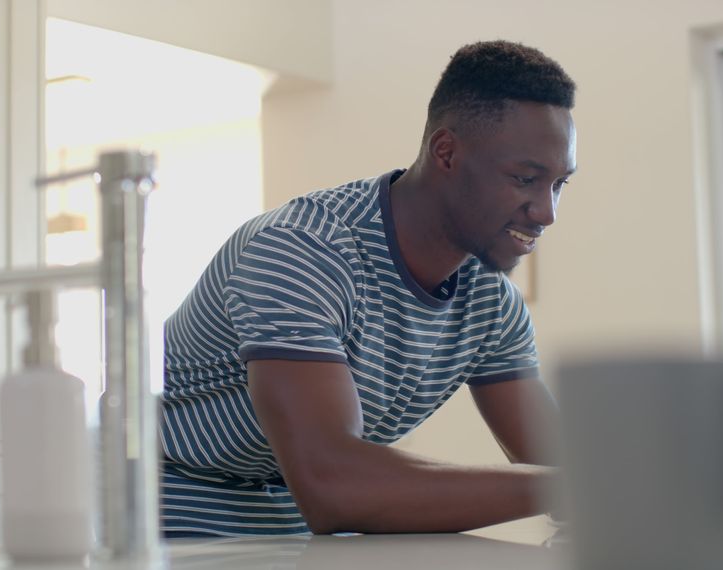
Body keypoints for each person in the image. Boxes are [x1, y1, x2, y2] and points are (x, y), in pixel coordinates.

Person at [158, 39, 577, 537]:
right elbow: (332, 485)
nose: (546, 212)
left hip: (301, 531)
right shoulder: (304, 251)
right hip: (168, 518)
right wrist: (571, 485)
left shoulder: (490, 303)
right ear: (446, 152)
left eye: (558, 185)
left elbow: (563, 468)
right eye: (525, 179)